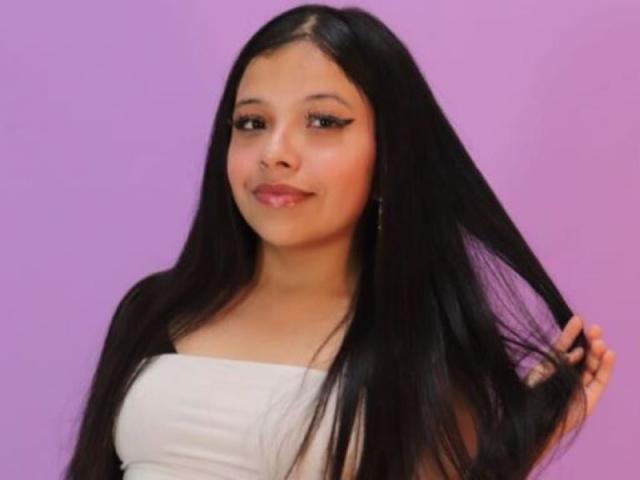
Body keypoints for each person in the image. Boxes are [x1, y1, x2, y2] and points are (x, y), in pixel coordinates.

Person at [63, 4, 615, 479]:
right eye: (251, 123)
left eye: (323, 121)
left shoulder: (420, 352)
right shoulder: (154, 310)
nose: (274, 153)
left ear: (388, 158)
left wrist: (515, 450)